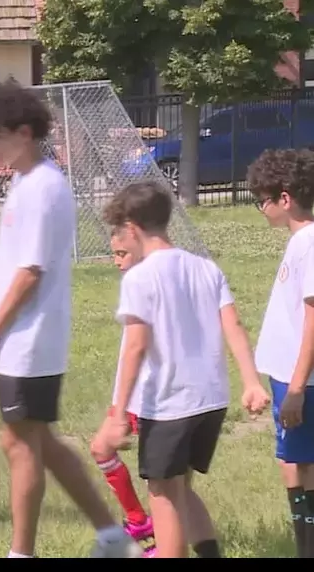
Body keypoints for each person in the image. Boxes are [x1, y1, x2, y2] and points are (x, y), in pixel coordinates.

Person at [0, 80, 142, 558]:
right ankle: (111, 535)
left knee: (20, 445)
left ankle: (22, 552)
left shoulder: (43, 186)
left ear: (24, 132)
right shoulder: (24, 184)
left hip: (32, 339)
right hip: (21, 339)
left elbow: (29, 275)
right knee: (36, 439)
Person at [95, 180, 269, 558]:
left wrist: (118, 413)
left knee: (164, 496)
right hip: (211, 401)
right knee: (181, 488)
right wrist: (251, 381)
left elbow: (137, 344)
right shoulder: (205, 268)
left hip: (171, 403)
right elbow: (233, 326)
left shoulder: (141, 276)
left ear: (133, 228)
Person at [247, 148, 314, 558]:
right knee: (292, 460)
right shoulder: (299, 242)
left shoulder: (309, 243)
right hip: (287, 376)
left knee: (306, 465)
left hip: (300, 380)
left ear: (284, 199)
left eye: (263, 200)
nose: (261, 208)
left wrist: (297, 386)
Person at [89, 234, 157, 557]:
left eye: (122, 254)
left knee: (159, 478)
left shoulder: (149, 285)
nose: (117, 261)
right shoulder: (132, 287)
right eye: (113, 253)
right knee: (101, 449)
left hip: (150, 397)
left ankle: (162, 541)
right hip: (128, 396)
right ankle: (138, 519)